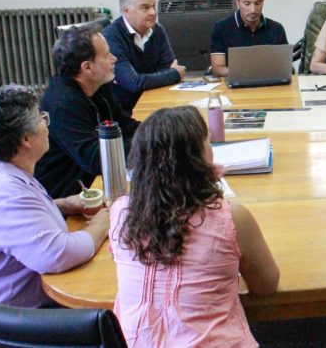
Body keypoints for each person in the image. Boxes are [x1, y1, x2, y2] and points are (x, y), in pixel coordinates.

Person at [110, 106, 279, 347]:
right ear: (198, 160)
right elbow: (266, 285)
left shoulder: (121, 213)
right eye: (208, 143)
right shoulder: (231, 218)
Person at [0, 85, 109, 307]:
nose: (46, 124)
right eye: (41, 118)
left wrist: (62, 205)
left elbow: (7, 223)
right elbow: (58, 255)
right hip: (22, 318)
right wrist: (102, 224)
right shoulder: (3, 195)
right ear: (26, 138)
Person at [34, 23, 139, 199]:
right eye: (106, 55)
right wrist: (149, 144)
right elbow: (96, 159)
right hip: (72, 191)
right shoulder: (63, 104)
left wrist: (155, 132)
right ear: (87, 68)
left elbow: (123, 123)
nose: (114, 58)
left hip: (97, 180)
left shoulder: (98, 84)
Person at [102, 0, 186, 114]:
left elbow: (167, 67)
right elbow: (132, 83)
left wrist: (160, 76)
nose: (153, 12)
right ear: (126, 11)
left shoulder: (157, 30)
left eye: (153, 6)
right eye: (145, 8)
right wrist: (174, 74)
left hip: (157, 99)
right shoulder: (111, 37)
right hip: (125, 109)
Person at [210, 0, 289, 78]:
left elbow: (284, 67)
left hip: (268, 85)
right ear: (238, 1)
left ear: (263, 0)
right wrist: (252, 74)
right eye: (247, 3)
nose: (253, 10)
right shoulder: (221, 28)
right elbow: (218, 70)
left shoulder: (276, 29)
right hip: (235, 85)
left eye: (258, 3)